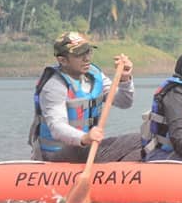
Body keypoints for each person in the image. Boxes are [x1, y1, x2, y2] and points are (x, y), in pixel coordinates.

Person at [29, 30, 140, 162]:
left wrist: (124, 79)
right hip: (57, 154)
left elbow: (124, 102)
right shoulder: (54, 85)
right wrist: (85, 138)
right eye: (79, 54)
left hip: (85, 148)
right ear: (62, 60)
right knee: (136, 142)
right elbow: (57, 128)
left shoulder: (94, 74)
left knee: (141, 141)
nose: (86, 58)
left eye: (87, 51)